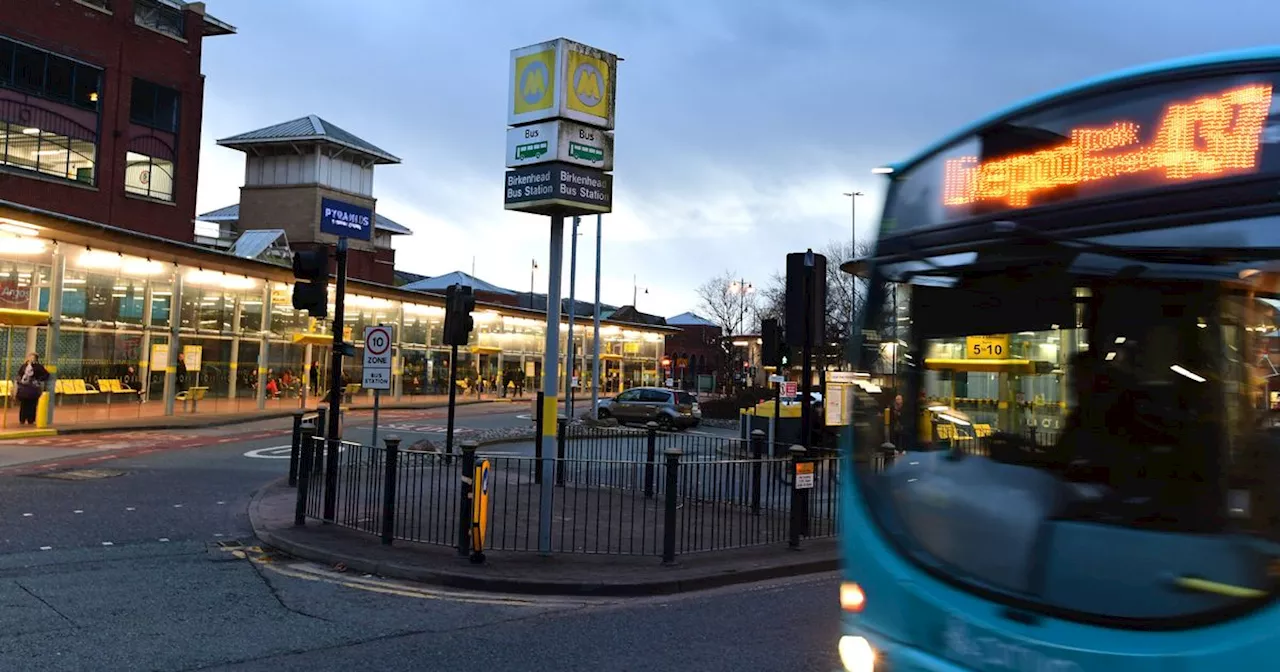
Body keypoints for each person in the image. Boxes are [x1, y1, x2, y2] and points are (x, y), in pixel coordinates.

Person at [14, 353, 49, 425]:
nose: (31, 359)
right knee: (24, 404)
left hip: (33, 388)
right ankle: (22, 419)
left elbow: (46, 375)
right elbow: (19, 374)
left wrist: (38, 380)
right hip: (24, 387)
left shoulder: (38, 367)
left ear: (36, 359)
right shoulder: (24, 366)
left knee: (32, 404)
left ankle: (31, 419)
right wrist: (19, 380)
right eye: (30, 357)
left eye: (33, 357)